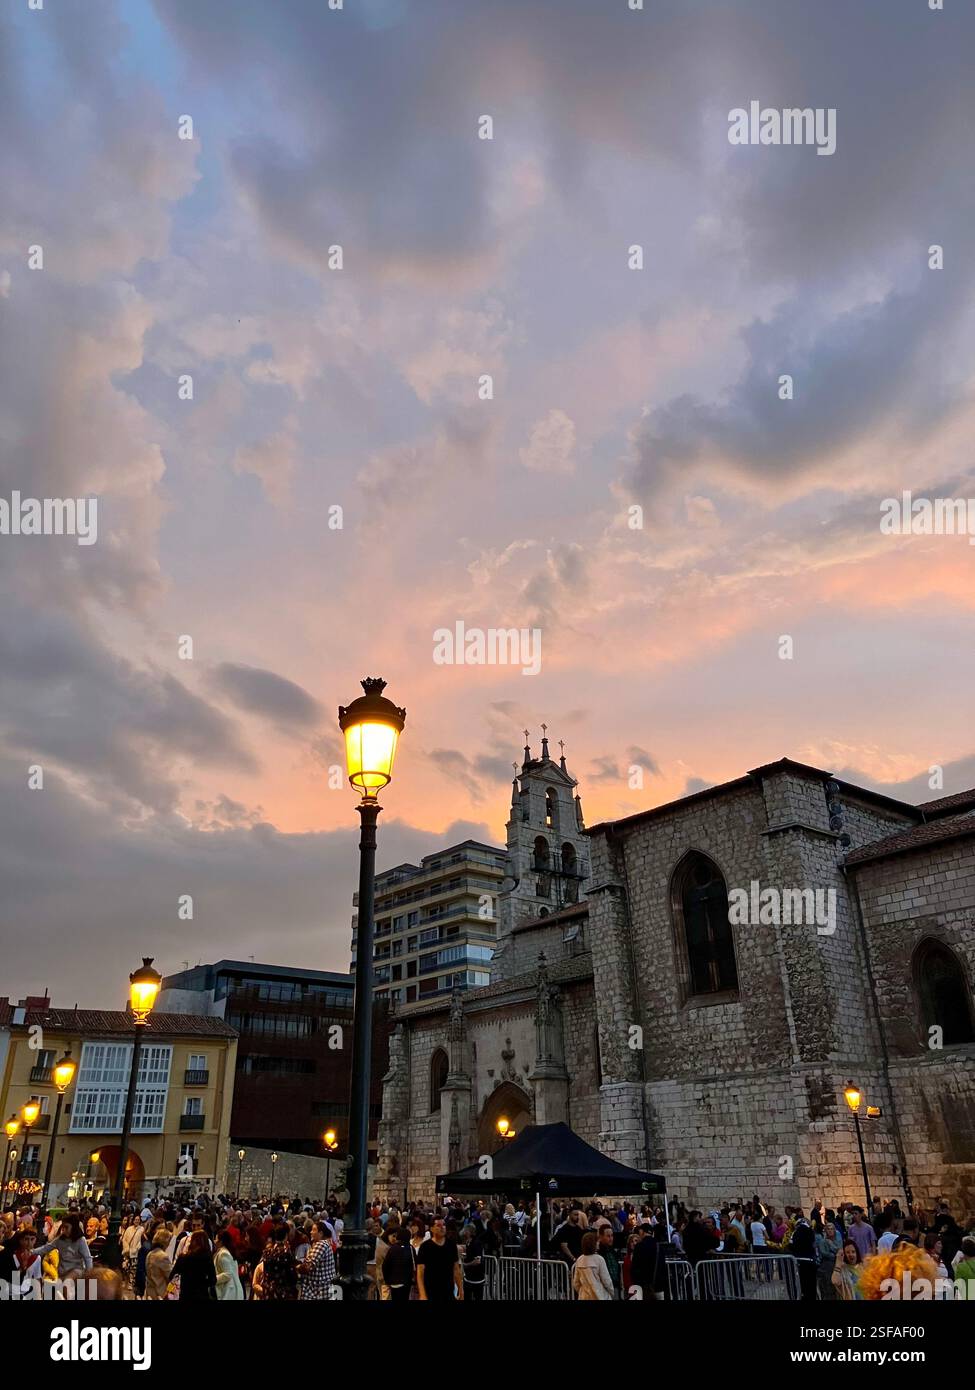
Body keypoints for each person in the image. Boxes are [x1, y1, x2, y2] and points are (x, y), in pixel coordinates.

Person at [416, 1217, 463, 1302]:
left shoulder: (451, 1245)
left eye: (444, 1225)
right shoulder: (425, 1247)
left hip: (448, 1292)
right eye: (438, 1225)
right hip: (431, 1292)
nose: (442, 1227)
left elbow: (456, 1269)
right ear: (432, 1229)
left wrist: (461, 1290)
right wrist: (422, 1294)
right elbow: (420, 1272)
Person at [32, 1213, 93, 1279]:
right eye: (63, 1227)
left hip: (76, 1271)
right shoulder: (60, 1240)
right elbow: (46, 1248)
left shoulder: (80, 1240)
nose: (63, 1230)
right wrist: (31, 1252)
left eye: (66, 1227)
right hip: (62, 1272)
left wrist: (89, 1275)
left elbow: (88, 1258)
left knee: (67, 1282)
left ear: (74, 1227)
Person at [170, 1230, 217, 1301]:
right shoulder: (207, 1258)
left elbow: (171, 1276)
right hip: (202, 1295)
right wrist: (202, 1284)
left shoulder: (182, 1258)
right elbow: (213, 1280)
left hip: (185, 1294)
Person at [298, 1220, 336, 1301]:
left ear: (321, 1233)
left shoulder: (321, 1244)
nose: (311, 1232)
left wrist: (297, 1267)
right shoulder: (325, 1244)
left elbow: (308, 1266)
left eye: (314, 1230)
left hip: (318, 1290)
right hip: (323, 1289)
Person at [572, 1230, 615, 1300]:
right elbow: (606, 1280)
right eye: (597, 1242)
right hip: (600, 1295)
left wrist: (582, 1291)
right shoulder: (599, 1259)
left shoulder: (579, 1260)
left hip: (584, 1296)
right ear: (593, 1244)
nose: (598, 1243)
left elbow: (576, 1283)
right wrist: (611, 1292)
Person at [382, 1226, 414, 1304]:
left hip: (393, 1282)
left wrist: (387, 1280)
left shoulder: (393, 1248)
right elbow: (414, 1264)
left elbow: (385, 1265)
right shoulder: (410, 1248)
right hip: (406, 1282)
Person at [214, 1228, 244, 1300]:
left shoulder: (223, 1254)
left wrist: (213, 1279)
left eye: (216, 1239)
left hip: (229, 1292)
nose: (214, 1241)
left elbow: (228, 1274)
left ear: (221, 1241)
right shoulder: (227, 1251)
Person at [815, 1221, 843, 1300]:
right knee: (827, 1289)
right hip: (826, 1267)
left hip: (837, 1266)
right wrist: (835, 1253)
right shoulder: (822, 1241)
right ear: (825, 1230)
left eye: (832, 1229)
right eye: (828, 1229)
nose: (830, 1231)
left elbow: (840, 1251)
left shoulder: (837, 1241)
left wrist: (831, 1245)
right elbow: (825, 1253)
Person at [144, 1229, 173, 1300]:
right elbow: (171, 1278)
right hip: (161, 1294)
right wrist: (170, 1292)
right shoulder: (163, 1256)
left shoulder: (149, 1254)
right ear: (165, 1241)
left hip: (150, 1293)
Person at [461, 1224, 487, 1301]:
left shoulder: (476, 1243)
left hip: (476, 1278)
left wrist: (466, 1264)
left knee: (477, 1296)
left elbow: (477, 1261)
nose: (464, 1232)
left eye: (466, 1230)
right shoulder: (469, 1242)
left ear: (469, 1232)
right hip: (469, 1278)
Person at [597, 1225, 622, 1297]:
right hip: (603, 1289)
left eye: (612, 1236)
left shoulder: (614, 1251)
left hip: (615, 1286)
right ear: (601, 1237)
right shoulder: (598, 1253)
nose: (611, 1238)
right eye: (608, 1236)